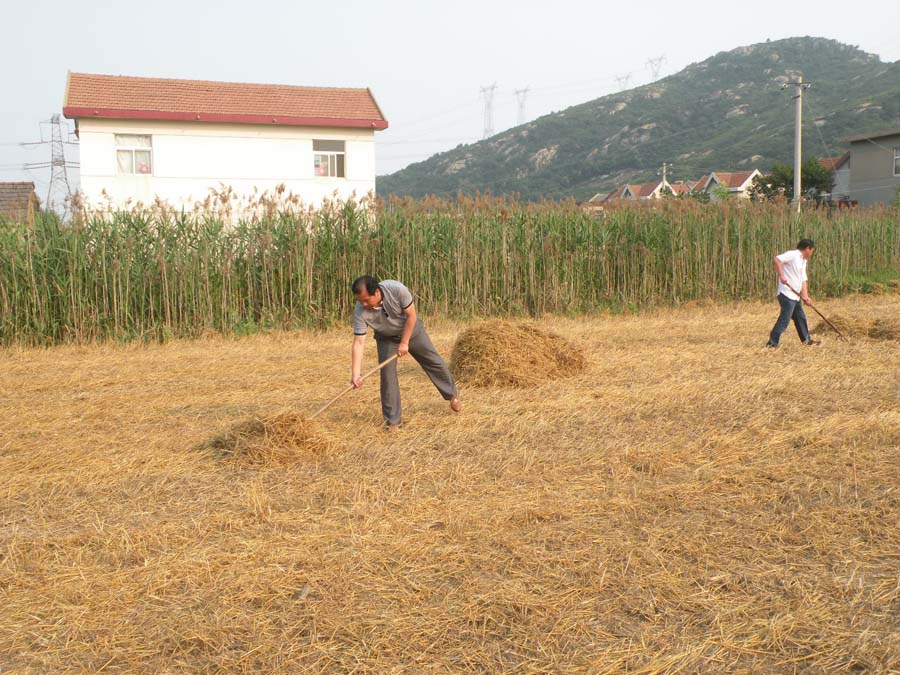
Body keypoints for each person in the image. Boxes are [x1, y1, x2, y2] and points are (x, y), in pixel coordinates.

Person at [350, 276, 461, 428]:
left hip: (411, 330)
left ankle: (452, 395)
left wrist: (404, 342)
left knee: (433, 361)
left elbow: (411, 316)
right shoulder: (360, 310)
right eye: (359, 301)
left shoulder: (396, 289)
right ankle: (393, 422)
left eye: (366, 300)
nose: (363, 304)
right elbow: (359, 342)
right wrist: (356, 374)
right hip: (386, 338)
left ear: (376, 292)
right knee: (387, 377)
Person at [765, 238, 820, 349]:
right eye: (812, 250)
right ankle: (772, 343)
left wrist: (805, 297)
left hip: (795, 297)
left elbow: (803, 280)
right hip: (786, 294)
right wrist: (781, 275)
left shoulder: (803, 261)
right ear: (808, 248)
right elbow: (777, 260)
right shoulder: (793, 255)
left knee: (800, 317)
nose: (811, 253)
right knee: (784, 320)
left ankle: (807, 340)